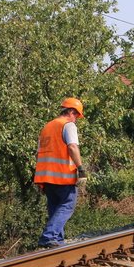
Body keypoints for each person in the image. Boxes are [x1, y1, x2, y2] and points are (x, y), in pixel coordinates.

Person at [34, 96, 87, 248]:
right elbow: (72, 147)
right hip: (63, 176)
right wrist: (81, 168)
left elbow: (38, 154)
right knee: (67, 205)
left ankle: (57, 242)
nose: (76, 119)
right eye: (76, 115)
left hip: (45, 177)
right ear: (71, 111)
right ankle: (48, 236)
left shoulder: (47, 127)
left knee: (55, 208)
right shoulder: (68, 125)